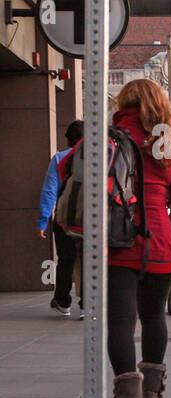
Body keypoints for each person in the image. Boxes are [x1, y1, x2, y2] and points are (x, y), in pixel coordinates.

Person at [104, 78, 171, 398]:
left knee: (120, 322)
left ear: (124, 104)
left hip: (118, 243)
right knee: (153, 317)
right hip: (161, 245)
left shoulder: (109, 141)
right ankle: (151, 396)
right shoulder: (170, 145)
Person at [39, 120, 85, 316]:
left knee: (66, 259)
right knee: (88, 259)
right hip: (89, 216)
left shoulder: (59, 159)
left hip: (64, 217)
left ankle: (63, 301)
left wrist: (42, 220)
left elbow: (49, 191)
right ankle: (87, 305)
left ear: (68, 139)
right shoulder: (96, 158)